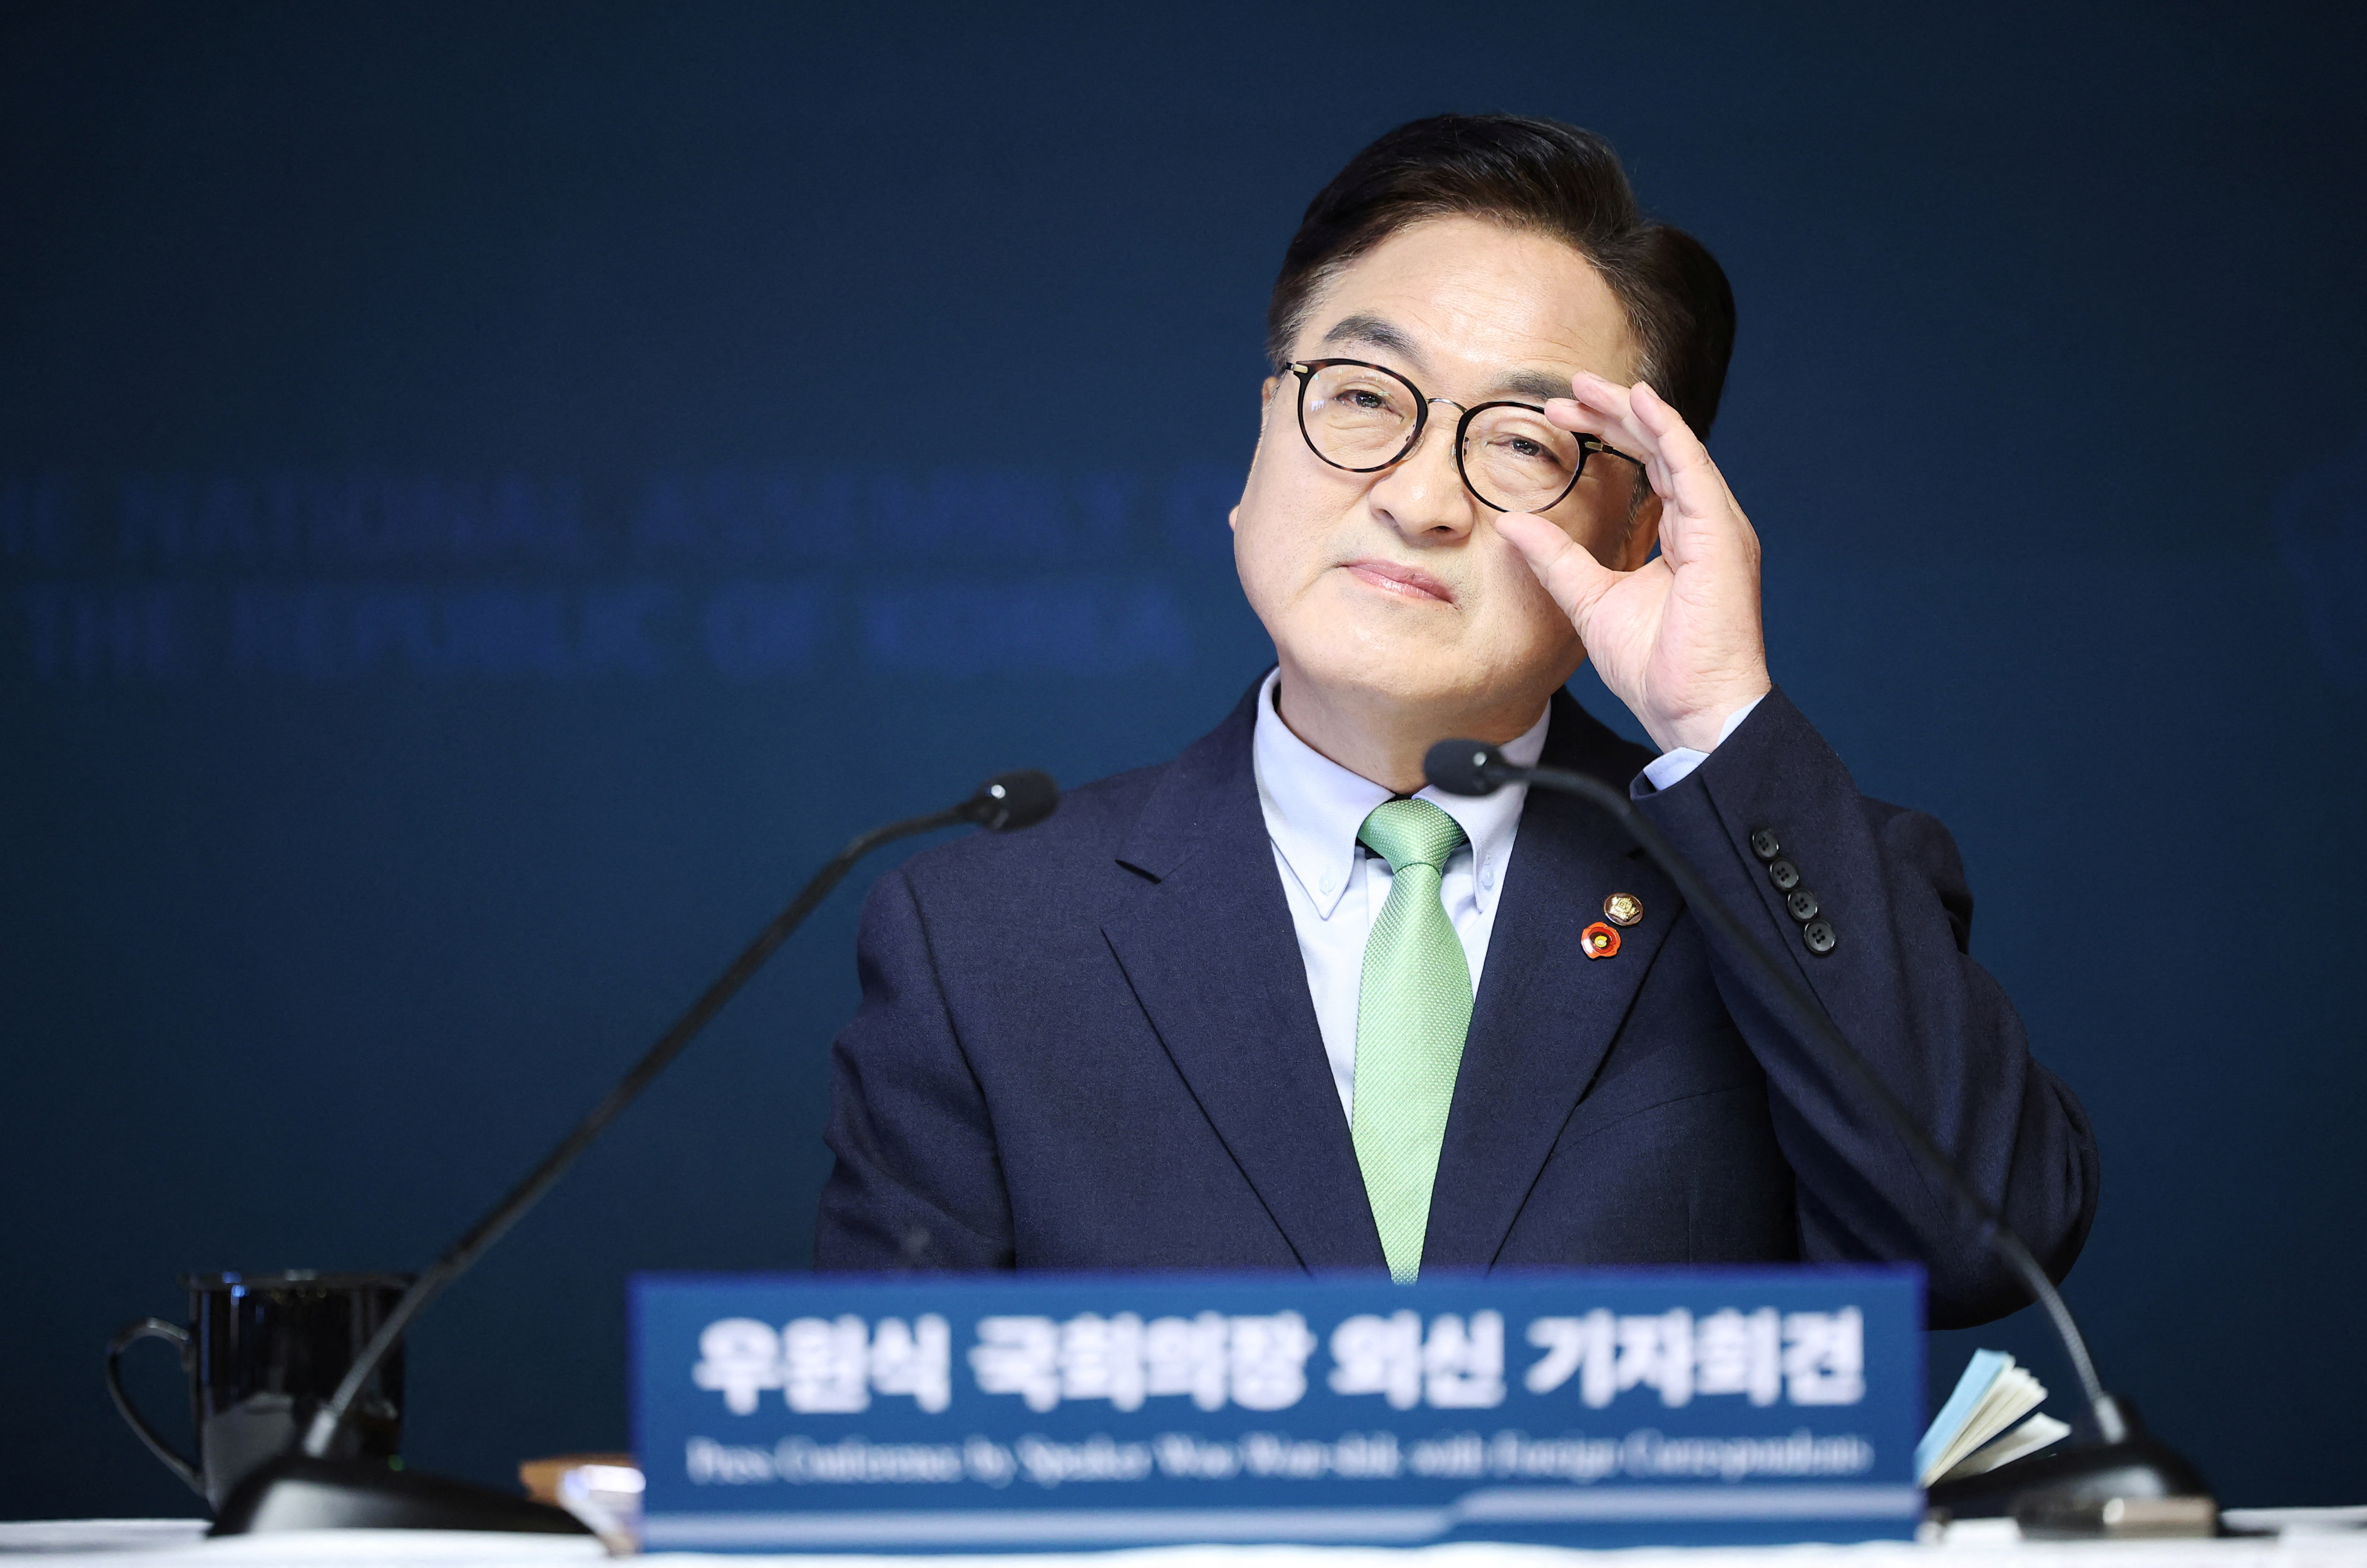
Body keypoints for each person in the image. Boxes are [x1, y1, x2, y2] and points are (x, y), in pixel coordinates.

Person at [813, 113, 2095, 1326]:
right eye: (1365, 396)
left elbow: (1985, 1241)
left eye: (1524, 444)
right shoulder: (983, 940)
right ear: (1265, 430)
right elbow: (884, 1449)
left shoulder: (1787, 877)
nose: (1421, 497)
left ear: (1642, 525)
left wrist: (1714, 719)